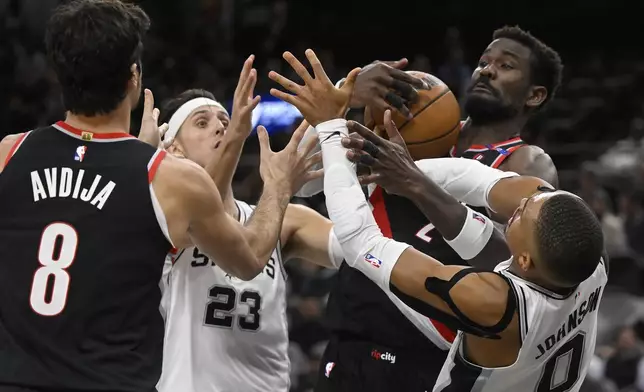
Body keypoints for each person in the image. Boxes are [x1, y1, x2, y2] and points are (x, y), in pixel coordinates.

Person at [0, 1, 316, 391]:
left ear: (58, 73)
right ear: (134, 77)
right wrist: (280, 187)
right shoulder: (167, 178)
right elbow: (250, 259)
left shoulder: (9, 153)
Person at [269, 49, 607, 392]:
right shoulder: (586, 258)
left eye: (517, 216)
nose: (520, 206)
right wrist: (399, 171)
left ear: (521, 258)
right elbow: (480, 183)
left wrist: (330, 127)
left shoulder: (492, 304)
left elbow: (362, 241)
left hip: (417, 364)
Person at [155, 64, 348, 392]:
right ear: (174, 148)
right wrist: (241, 143)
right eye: (202, 123)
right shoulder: (162, 214)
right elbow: (202, 201)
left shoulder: (281, 220)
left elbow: (362, 250)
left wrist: (339, 117)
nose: (219, 128)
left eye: (224, 122)